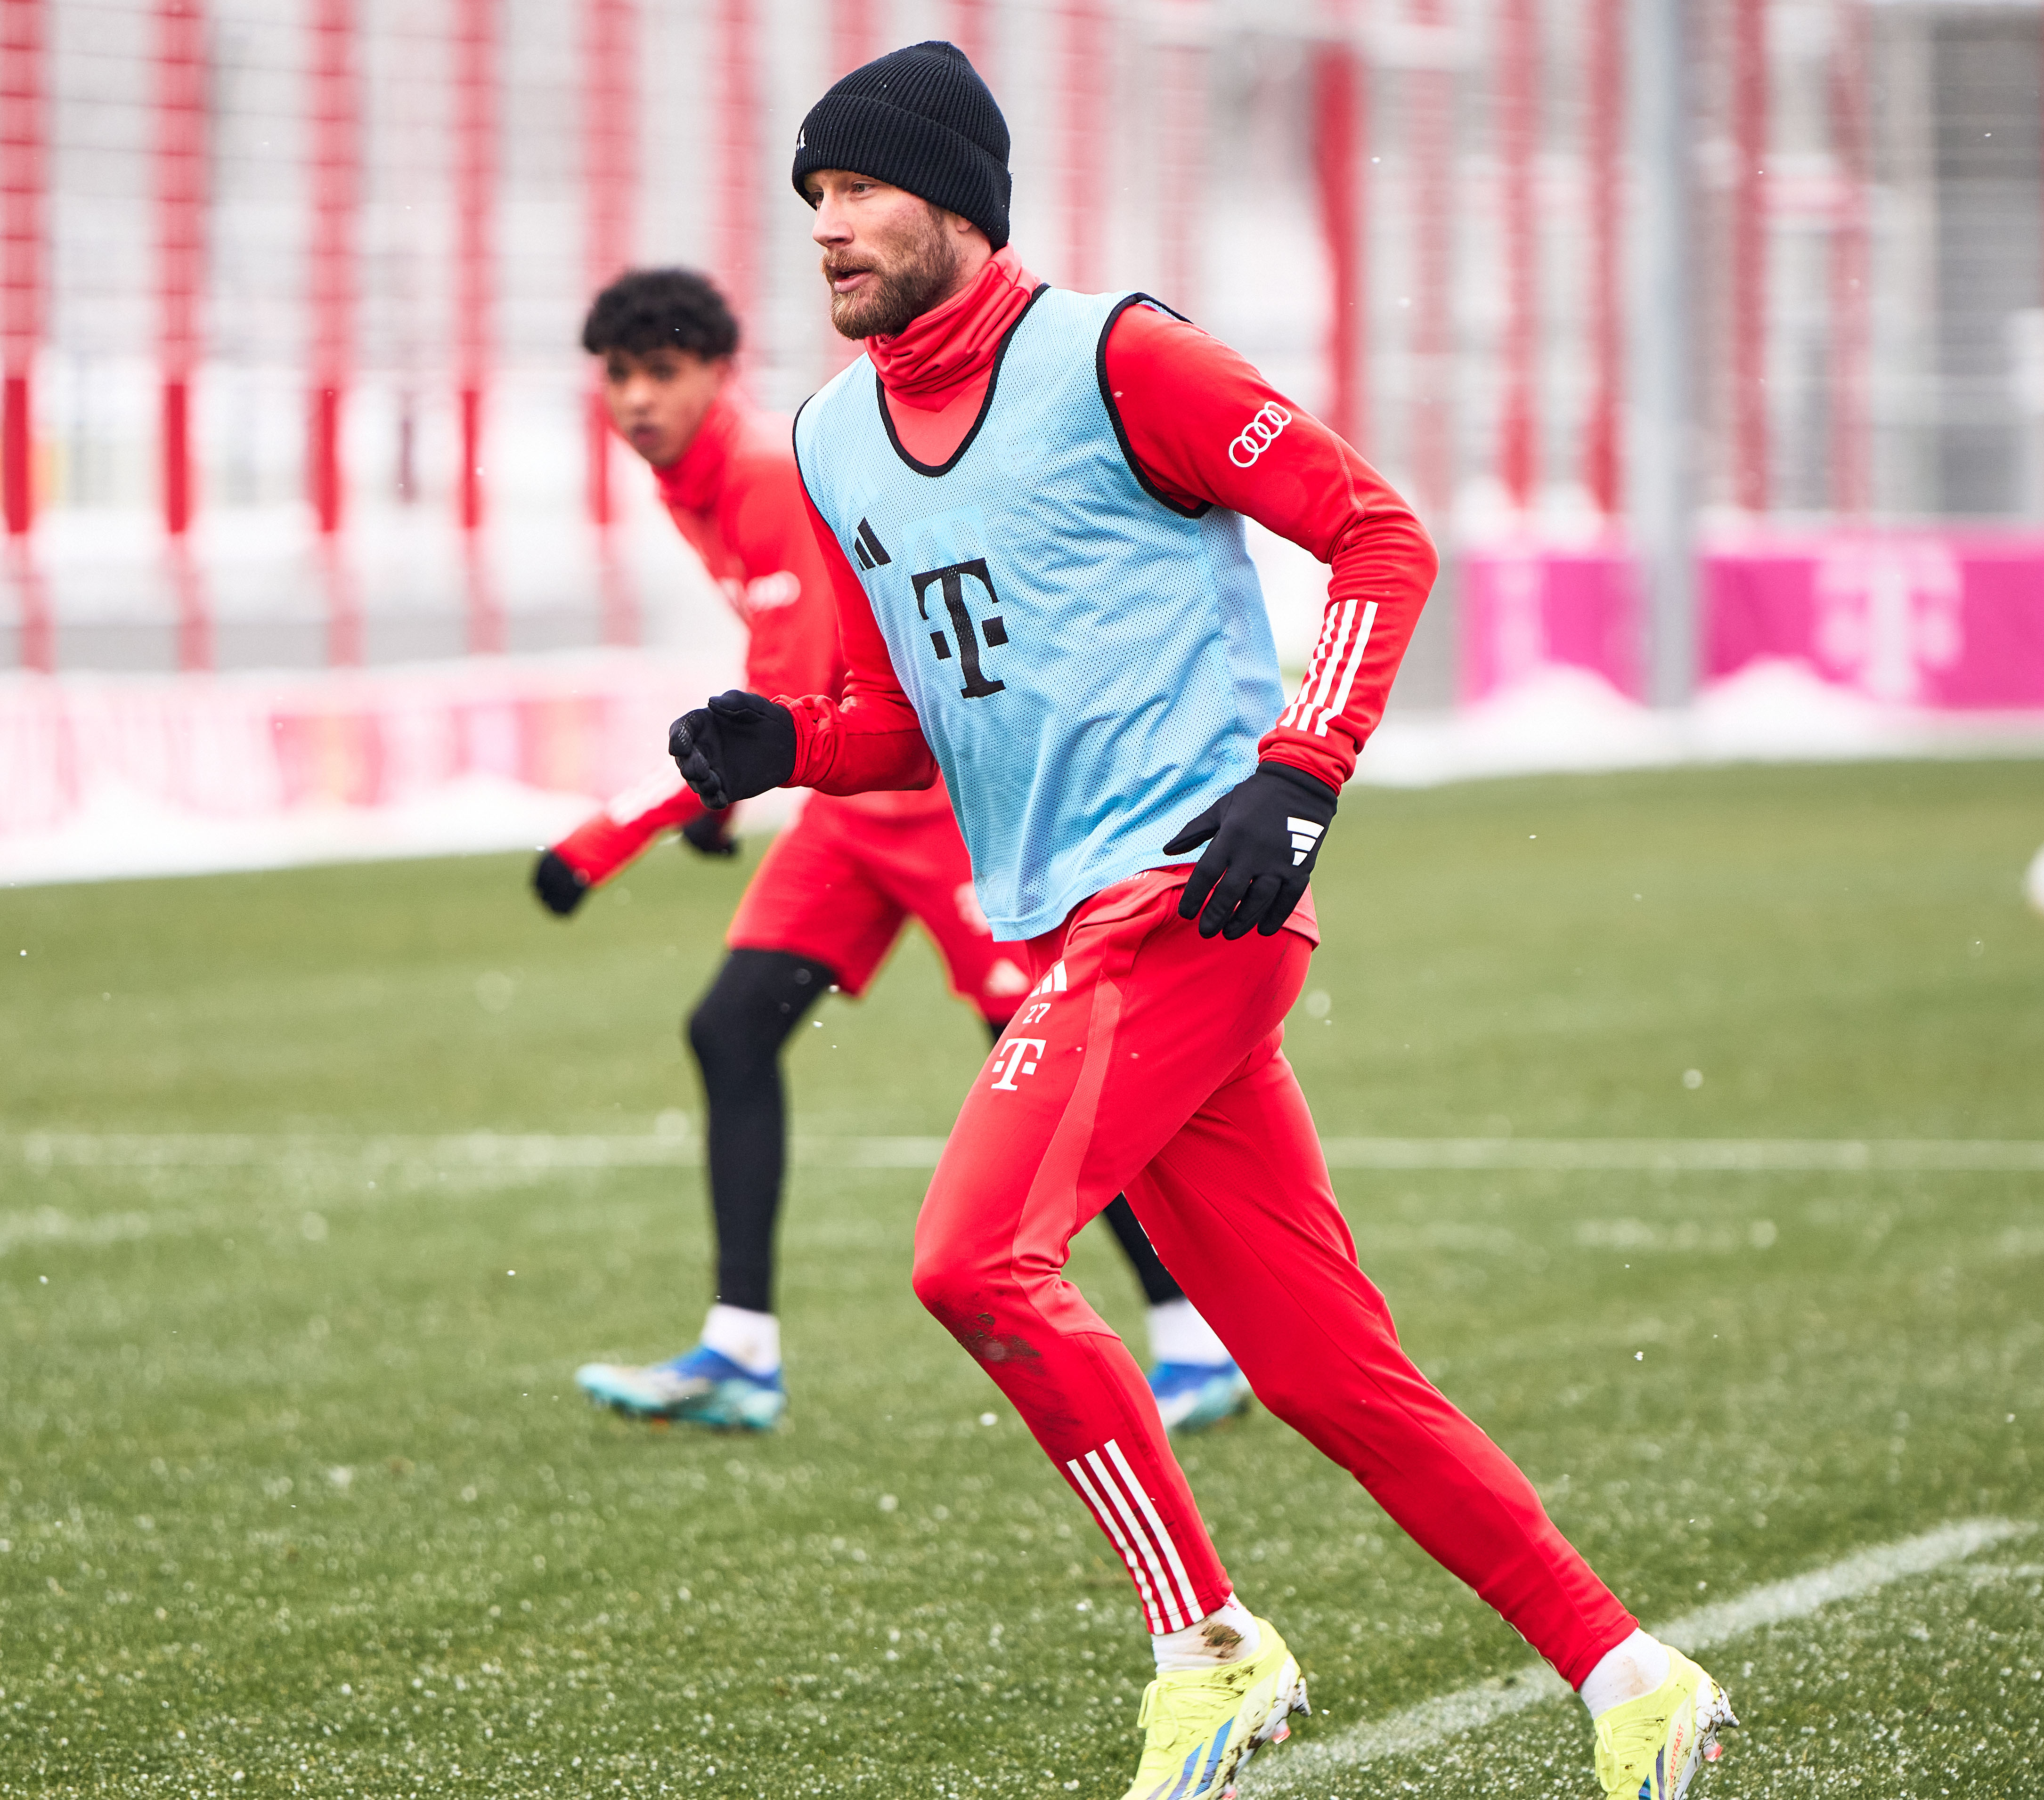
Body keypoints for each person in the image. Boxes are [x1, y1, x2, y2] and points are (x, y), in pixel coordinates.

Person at [667, 41, 1735, 1800]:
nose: (827, 228)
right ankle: (1631, 1676)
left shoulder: (1117, 358)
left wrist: (1300, 774)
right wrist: (787, 741)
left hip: (1191, 895)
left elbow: (1378, 537)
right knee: (1328, 1373)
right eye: (810, 201)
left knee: (969, 1262)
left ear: (952, 199)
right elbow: (905, 718)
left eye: (856, 190)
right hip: (1079, 924)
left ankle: (1210, 1643)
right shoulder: (833, 435)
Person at [547, 267, 1251, 1438]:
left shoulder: (772, 477)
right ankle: (739, 1350)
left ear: (717, 377)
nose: (635, 400)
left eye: (659, 372)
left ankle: (1189, 1339)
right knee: (729, 1028)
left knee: (1057, 1072)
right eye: (618, 376)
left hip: (936, 813)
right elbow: (789, 687)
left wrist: (609, 838)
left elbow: (794, 690)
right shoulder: (691, 485)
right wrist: (721, 801)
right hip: (846, 822)